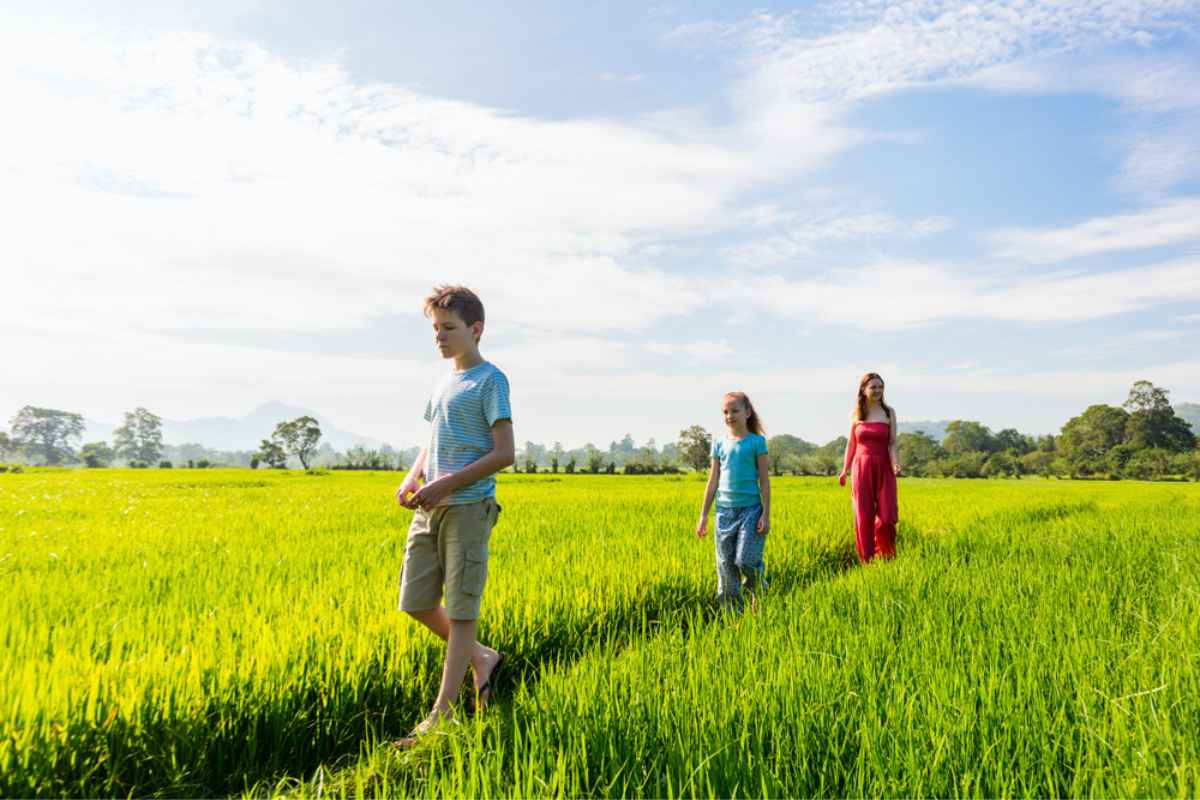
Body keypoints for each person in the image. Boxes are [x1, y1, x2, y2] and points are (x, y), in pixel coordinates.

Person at [394, 285, 514, 746]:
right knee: (416, 601)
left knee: (463, 610)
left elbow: (505, 453)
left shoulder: (491, 381)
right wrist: (413, 478)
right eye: (435, 329)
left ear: (475, 329)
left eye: (448, 328)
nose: (439, 337)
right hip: (430, 507)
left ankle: (441, 715)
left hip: (468, 507)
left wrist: (447, 483)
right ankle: (483, 659)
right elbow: (432, 441)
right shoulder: (443, 381)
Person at [696, 392, 771, 612]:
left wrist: (765, 514)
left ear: (747, 412)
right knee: (726, 566)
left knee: (746, 561)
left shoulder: (757, 442)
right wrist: (703, 516)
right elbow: (712, 481)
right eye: (725, 412)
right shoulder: (719, 443)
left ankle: (759, 590)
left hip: (751, 511)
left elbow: (765, 481)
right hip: (724, 513)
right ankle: (732, 615)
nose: (729, 416)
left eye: (735, 411)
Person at [838, 372, 901, 562]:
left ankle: (887, 555)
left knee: (887, 515)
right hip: (862, 466)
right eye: (873, 387)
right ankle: (868, 559)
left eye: (880, 387)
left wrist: (895, 462)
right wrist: (844, 469)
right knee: (863, 516)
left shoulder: (889, 412)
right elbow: (851, 444)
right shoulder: (856, 413)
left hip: (884, 466)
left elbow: (892, 443)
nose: (877, 391)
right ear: (863, 389)